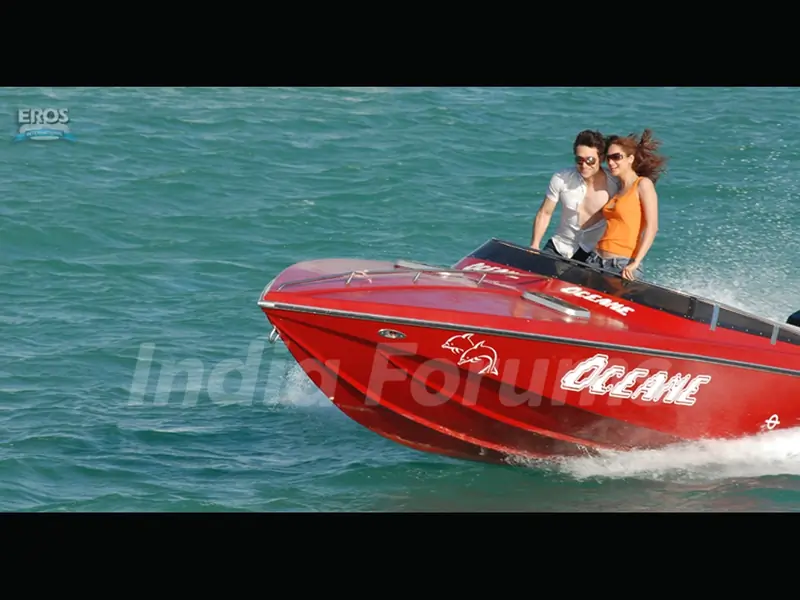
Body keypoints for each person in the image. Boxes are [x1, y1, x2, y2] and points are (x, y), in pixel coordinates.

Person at [581, 129, 667, 280]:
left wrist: (636, 262)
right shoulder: (617, 189)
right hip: (595, 260)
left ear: (630, 159)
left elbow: (652, 227)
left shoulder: (643, 185)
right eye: (608, 158)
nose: (611, 162)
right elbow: (590, 221)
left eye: (617, 157)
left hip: (621, 265)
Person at [530, 129, 620, 262]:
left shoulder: (616, 184)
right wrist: (535, 244)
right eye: (579, 160)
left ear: (601, 158)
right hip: (559, 246)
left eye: (590, 160)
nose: (584, 165)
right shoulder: (561, 178)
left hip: (592, 254)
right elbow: (545, 213)